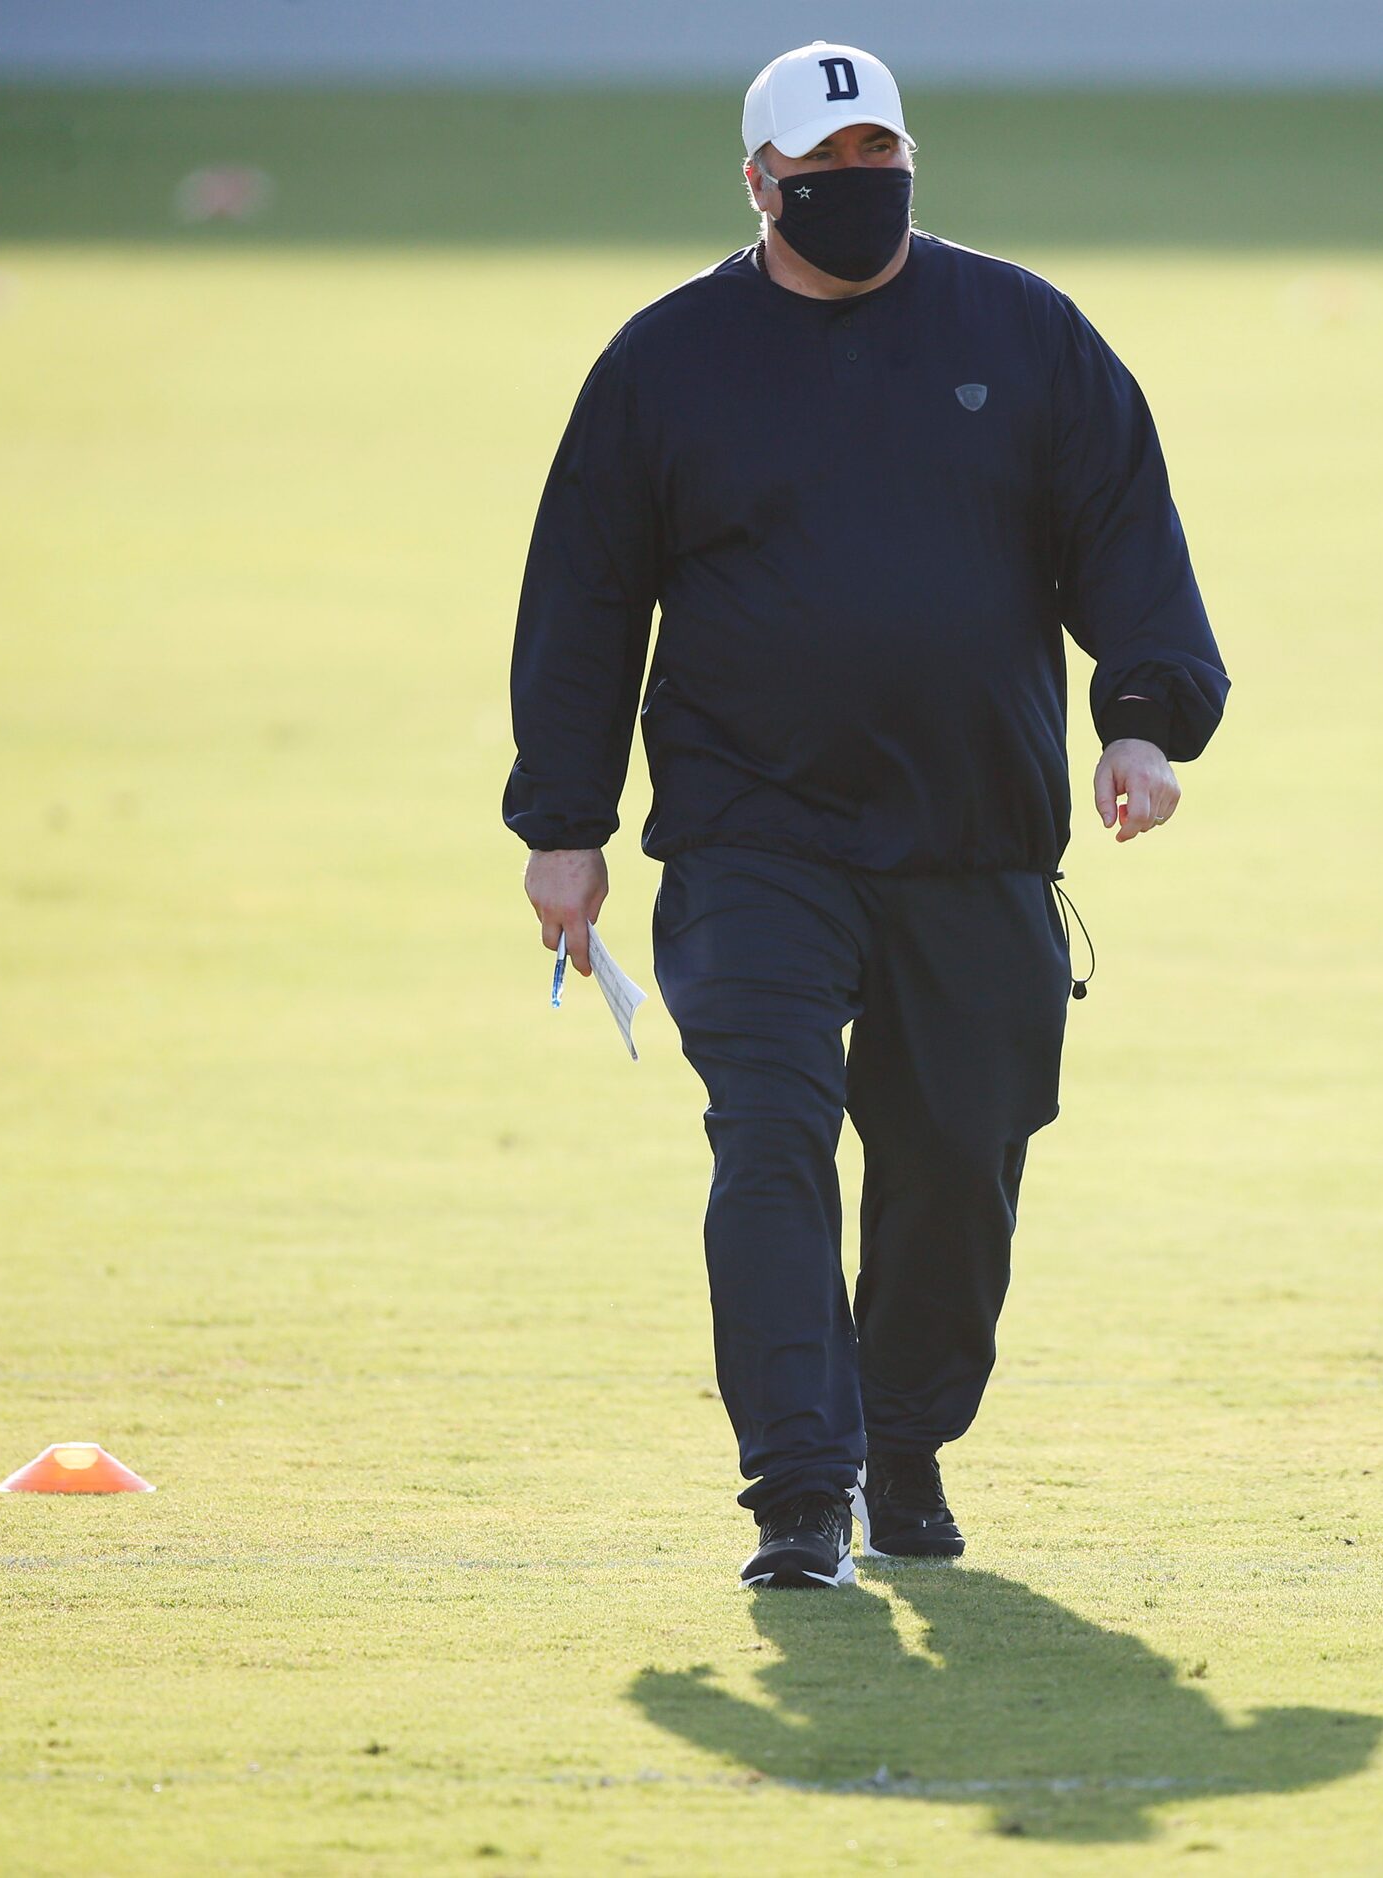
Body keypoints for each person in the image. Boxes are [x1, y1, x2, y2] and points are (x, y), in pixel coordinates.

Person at [505, 42, 1229, 1589]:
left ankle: (902, 1440)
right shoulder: (665, 363)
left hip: (975, 838)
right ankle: (798, 1491)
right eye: (824, 173)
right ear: (760, 186)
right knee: (770, 1130)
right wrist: (564, 825)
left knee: (958, 1155)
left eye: (879, 160)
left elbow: (1125, 532)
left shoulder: (1022, 333)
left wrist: (1145, 721)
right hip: (749, 839)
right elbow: (582, 604)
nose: (859, 191)